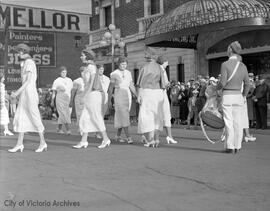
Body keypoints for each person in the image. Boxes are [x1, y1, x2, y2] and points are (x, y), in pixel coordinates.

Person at [8, 43, 47, 153]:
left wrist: (17, 93)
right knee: (21, 116)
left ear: (25, 52)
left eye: (20, 51)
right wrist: (20, 93)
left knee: (34, 116)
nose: (19, 54)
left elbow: (28, 81)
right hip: (25, 93)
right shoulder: (24, 63)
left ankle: (43, 142)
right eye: (18, 52)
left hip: (30, 92)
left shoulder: (29, 62)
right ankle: (19, 144)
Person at [73, 47, 111, 149]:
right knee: (85, 117)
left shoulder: (91, 67)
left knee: (95, 116)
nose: (81, 57)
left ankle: (106, 139)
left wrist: (85, 95)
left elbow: (91, 82)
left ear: (87, 56)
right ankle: (83, 141)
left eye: (82, 55)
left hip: (93, 94)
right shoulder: (89, 67)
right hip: (90, 94)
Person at [217, 41, 249, 154]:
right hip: (239, 96)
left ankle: (230, 146)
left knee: (229, 121)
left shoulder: (225, 64)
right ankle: (237, 146)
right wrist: (244, 95)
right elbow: (247, 84)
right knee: (238, 122)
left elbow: (223, 82)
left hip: (227, 95)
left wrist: (216, 88)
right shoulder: (243, 66)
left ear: (230, 50)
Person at [137, 47, 166, 147]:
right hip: (158, 93)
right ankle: (157, 139)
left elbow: (140, 84)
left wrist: (139, 95)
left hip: (147, 92)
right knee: (157, 116)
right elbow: (164, 84)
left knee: (147, 116)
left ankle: (150, 139)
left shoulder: (144, 67)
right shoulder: (159, 67)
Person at [108, 57, 137, 144]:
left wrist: (137, 95)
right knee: (124, 115)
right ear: (118, 64)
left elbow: (131, 85)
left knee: (123, 115)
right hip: (118, 94)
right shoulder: (114, 73)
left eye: (125, 64)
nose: (124, 66)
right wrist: (109, 100)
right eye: (122, 64)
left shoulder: (128, 73)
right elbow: (111, 88)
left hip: (127, 94)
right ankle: (128, 137)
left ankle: (118, 135)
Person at [156, 55, 177, 144]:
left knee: (159, 115)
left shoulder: (159, 69)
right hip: (161, 94)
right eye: (167, 62)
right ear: (163, 61)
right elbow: (163, 84)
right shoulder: (162, 70)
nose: (167, 63)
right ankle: (169, 136)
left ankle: (158, 137)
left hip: (158, 94)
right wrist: (168, 85)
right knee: (165, 114)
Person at [51, 66, 73, 134]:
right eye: (63, 72)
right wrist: (52, 100)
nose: (64, 73)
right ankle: (68, 129)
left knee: (66, 114)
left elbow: (72, 91)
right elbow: (54, 92)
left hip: (68, 99)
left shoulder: (69, 80)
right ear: (60, 73)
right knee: (63, 113)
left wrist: (72, 100)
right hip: (60, 98)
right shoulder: (57, 81)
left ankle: (59, 128)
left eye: (65, 72)